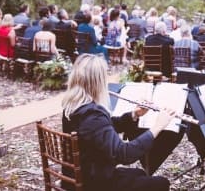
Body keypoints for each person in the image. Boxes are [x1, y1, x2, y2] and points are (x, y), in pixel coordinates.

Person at [62, 54, 175, 190]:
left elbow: (104, 128)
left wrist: (134, 114)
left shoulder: (73, 106)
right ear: (97, 82)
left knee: (139, 173)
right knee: (161, 183)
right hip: (94, 182)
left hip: (82, 175)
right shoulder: (92, 115)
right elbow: (124, 154)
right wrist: (157, 127)